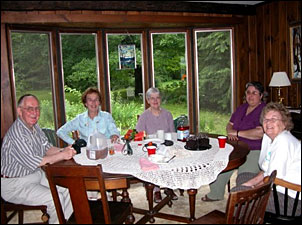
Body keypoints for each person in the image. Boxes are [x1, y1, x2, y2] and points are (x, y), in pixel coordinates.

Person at [1, 94, 76, 224]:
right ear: (20, 111)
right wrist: (62, 155)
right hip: (14, 184)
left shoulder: (34, 127)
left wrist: (63, 150)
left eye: (37, 108)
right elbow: (35, 162)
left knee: (69, 189)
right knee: (54, 199)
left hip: (35, 175)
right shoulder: (17, 133)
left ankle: (65, 221)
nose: (35, 112)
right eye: (30, 108)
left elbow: (46, 147)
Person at [232, 102, 301, 215]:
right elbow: (266, 170)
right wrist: (248, 185)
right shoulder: (269, 138)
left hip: (291, 199)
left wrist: (253, 188)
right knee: (243, 177)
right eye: (266, 119)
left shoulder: (284, 141)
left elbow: (273, 178)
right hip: (278, 187)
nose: (269, 122)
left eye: (274, 119)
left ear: (284, 123)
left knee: (238, 196)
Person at [202, 81, 266, 201]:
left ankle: (241, 201)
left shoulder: (264, 110)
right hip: (235, 147)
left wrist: (236, 133)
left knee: (244, 177)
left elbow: (260, 133)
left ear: (261, 95)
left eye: (254, 93)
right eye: (248, 93)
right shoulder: (242, 108)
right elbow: (229, 124)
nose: (250, 96)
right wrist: (230, 131)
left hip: (254, 150)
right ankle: (216, 194)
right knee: (219, 166)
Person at [136, 87, 177, 203]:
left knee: (172, 158)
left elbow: (173, 134)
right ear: (148, 101)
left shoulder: (167, 114)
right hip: (151, 147)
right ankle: (156, 189)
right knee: (152, 161)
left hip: (166, 145)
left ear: (161, 99)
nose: (155, 101)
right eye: (152, 98)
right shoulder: (144, 116)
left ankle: (169, 187)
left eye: (157, 98)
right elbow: (138, 135)